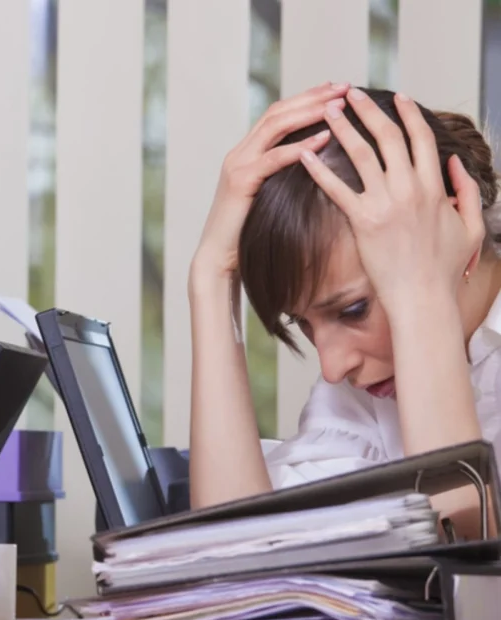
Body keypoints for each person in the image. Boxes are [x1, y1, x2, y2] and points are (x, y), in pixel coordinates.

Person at [188, 82, 496, 537]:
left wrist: (422, 296)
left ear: (450, 230)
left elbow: (473, 580)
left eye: (352, 310)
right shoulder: (364, 395)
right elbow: (235, 551)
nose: (332, 367)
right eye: (305, 324)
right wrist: (211, 277)